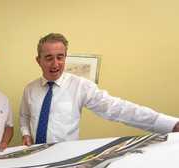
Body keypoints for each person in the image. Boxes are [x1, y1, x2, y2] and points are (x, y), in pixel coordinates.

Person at [20, 33, 179, 145]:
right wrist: (26, 134)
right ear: (38, 60)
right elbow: (25, 116)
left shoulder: (81, 86)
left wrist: (169, 124)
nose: (55, 64)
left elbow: (118, 109)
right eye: (49, 58)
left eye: (60, 57)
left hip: (66, 159)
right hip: (36, 155)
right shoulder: (30, 89)